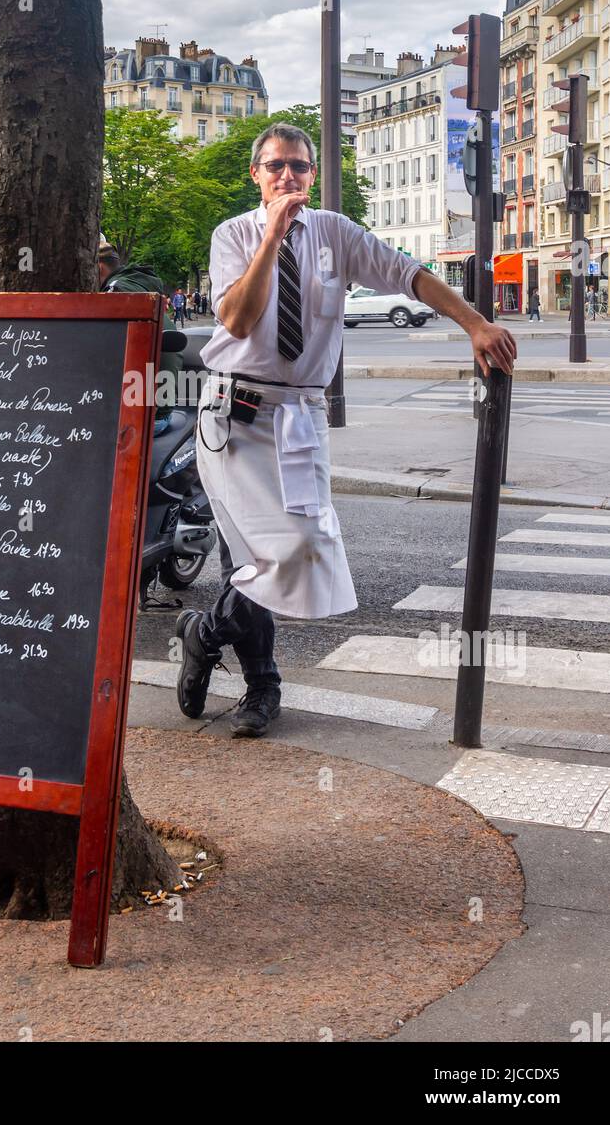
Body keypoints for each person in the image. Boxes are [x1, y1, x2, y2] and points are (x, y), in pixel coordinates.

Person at [174, 122, 517, 739]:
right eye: (276, 165)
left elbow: (409, 273)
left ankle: (204, 633)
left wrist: (474, 324)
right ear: (256, 174)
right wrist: (271, 238)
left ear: (312, 174)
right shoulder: (234, 235)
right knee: (254, 559)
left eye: (300, 167)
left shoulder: (335, 233)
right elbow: (239, 316)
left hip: (300, 418)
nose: (289, 177)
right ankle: (262, 689)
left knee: (305, 550)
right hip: (237, 417)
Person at [98, 241, 181, 434]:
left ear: (99, 267)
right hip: (160, 410)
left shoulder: (116, 294)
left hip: (143, 417)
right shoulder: (142, 289)